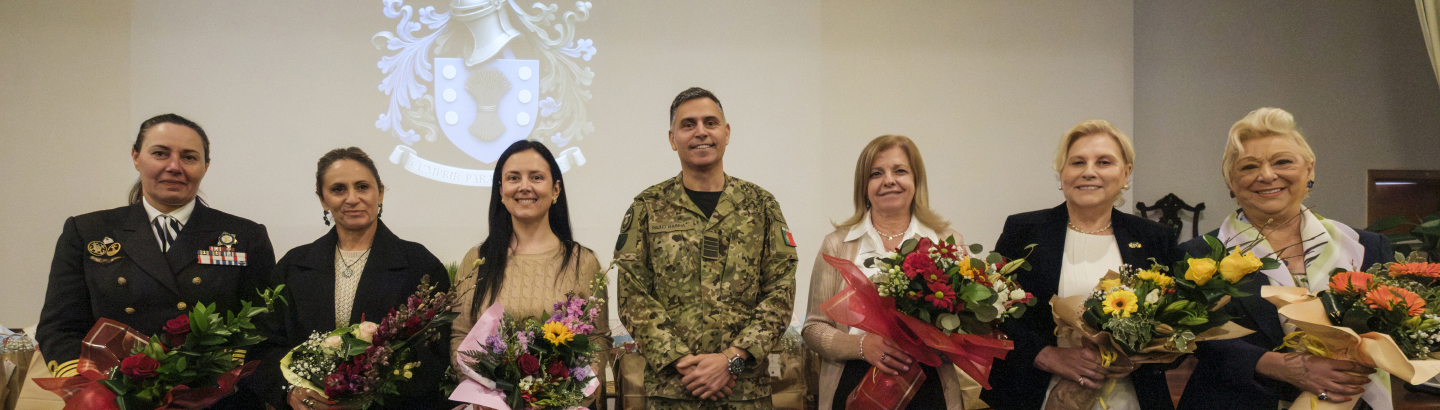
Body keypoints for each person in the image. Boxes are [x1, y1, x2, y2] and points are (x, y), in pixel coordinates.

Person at [36, 113, 275, 410]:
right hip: (115, 399)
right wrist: (94, 385)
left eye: (189, 157)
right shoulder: (87, 231)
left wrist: (216, 376)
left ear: (206, 166)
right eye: (160, 153)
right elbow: (59, 326)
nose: (174, 166)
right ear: (136, 157)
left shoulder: (245, 235)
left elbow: (264, 326)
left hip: (214, 399)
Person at [1177, 108, 1386, 410]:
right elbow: (1199, 340)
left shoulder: (1367, 247)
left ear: (1309, 169)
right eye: (1249, 167)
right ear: (1230, 182)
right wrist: (1282, 365)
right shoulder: (1200, 254)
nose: (1266, 175)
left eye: (1283, 162)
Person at [614, 87, 798, 409]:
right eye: (688, 125)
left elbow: (780, 291)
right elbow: (633, 295)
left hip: (744, 393)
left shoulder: (761, 205)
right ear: (672, 139)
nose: (701, 132)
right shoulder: (647, 207)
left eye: (710, 122)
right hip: (672, 393)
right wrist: (684, 364)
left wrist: (732, 361)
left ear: (726, 133)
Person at [981, 120, 1178, 410]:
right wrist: (1045, 354)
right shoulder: (1023, 230)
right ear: (1062, 174)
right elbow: (992, 310)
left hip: (1132, 398)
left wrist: (1139, 357)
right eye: (1077, 162)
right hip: (1036, 393)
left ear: (1126, 174)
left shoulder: (1153, 238)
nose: (1089, 171)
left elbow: (1181, 320)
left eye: (1104, 162)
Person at [255, 147, 450, 410]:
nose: (352, 199)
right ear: (323, 199)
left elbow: (434, 355)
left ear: (380, 193)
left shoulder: (420, 264)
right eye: (338, 189)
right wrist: (289, 391)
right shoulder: (293, 265)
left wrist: (365, 396)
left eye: (362, 187)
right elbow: (265, 347)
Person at [802, 135, 976, 409]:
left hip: (928, 385)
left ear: (916, 180)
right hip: (854, 381)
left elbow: (967, 324)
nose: (889, 180)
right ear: (864, 187)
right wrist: (861, 347)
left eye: (900, 171)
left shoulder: (948, 241)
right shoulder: (837, 244)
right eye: (876, 173)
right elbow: (813, 328)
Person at [449, 140, 610, 407]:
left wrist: (565, 399)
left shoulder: (584, 262)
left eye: (536, 177)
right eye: (513, 178)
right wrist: (482, 397)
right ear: (501, 191)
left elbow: (597, 340)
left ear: (555, 189)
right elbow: (459, 336)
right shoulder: (477, 260)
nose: (524, 186)